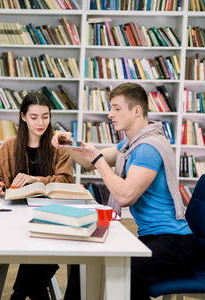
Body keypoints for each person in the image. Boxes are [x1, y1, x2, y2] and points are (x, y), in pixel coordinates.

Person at [52, 82, 196, 300]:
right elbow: (88, 163)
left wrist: (98, 159)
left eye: (117, 108)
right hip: (152, 237)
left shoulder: (148, 147)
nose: (110, 114)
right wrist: (65, 145)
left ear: (136, 110)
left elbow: (125, 196)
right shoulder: (131, 144)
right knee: (86, 263)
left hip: (174, 243)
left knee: (119, 276)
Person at [0, 92, 74, 300]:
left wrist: (36, 180)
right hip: (13, 216)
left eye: (45, 116)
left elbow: (66, 182)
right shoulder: (8, 146)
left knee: (46, 243)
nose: (41, 122)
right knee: (39, 249)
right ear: (23, 117)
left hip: (50, 215)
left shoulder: (59, 147)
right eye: (34, 117)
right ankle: (30, 292)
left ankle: (19, 293)